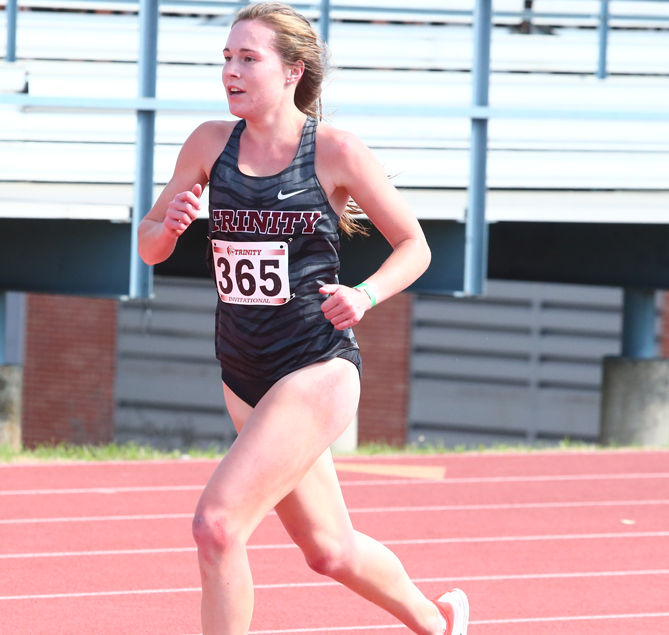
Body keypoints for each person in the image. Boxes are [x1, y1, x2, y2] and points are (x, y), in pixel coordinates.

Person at [136, 3, 469, 634]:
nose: (231, 72)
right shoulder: (210, 144)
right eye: (226, 59)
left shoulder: (334, 151)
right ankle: (438, 622)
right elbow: (148, 244)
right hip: (243, 372)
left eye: (248, 59)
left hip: (316, 366)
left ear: (292, 71)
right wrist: (170, 227)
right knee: (329, 551)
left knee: (216, 525)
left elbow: (416, 246)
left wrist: (365, 296)